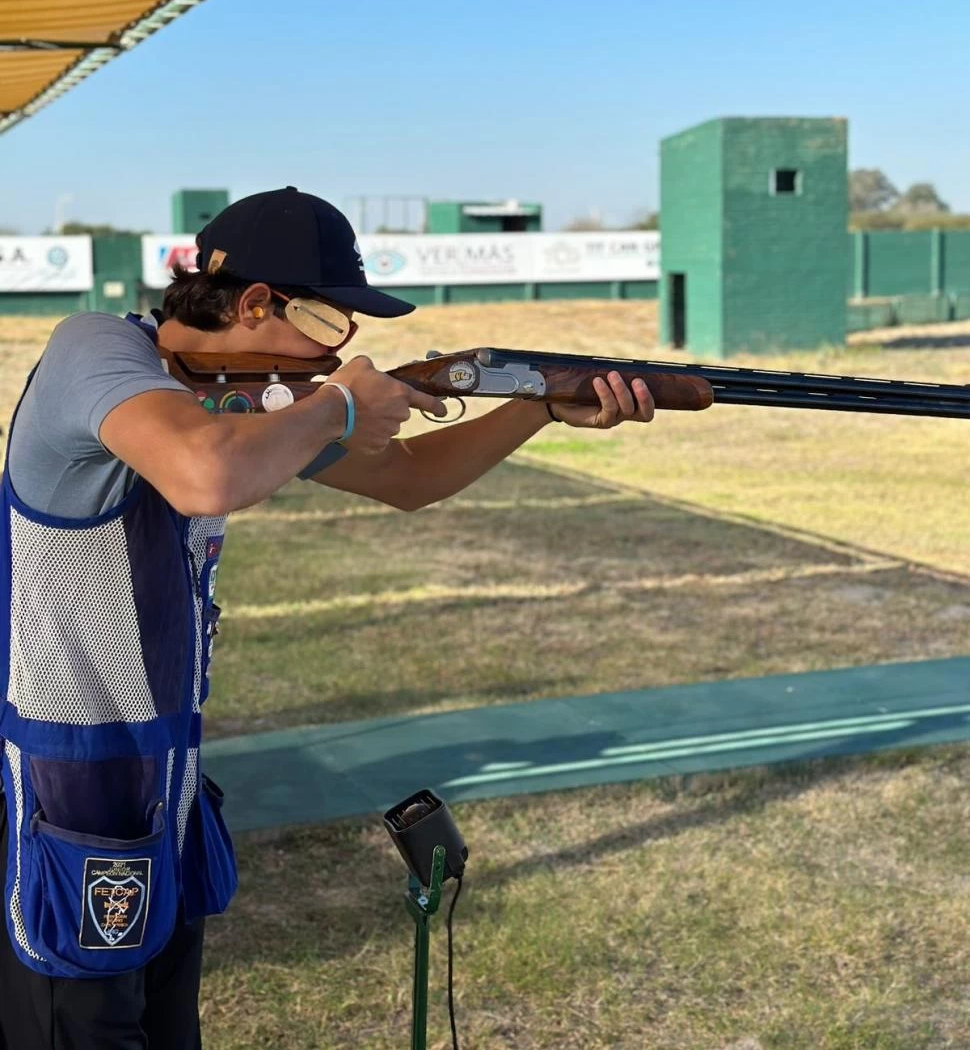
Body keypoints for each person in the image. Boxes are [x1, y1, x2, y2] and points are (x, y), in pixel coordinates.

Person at [0, 186, 655, 1049]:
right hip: (69, 784)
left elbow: (410, 477)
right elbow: (205, 475)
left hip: (168, 778)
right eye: (330, 323)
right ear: (257, 304)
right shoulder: (96, 349)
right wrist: (339, 404)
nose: (340, 349)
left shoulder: (234, 401)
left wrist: (536, 403)